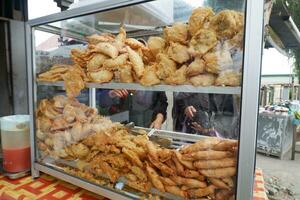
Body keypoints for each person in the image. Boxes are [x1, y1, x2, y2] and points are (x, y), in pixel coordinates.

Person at [97, 89, 168, 129]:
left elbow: (162, 102)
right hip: (117, 126)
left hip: (146, 126)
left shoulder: (149, 74)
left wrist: (159, 119)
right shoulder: (114, 71)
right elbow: (97, 98)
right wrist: (110, 94)